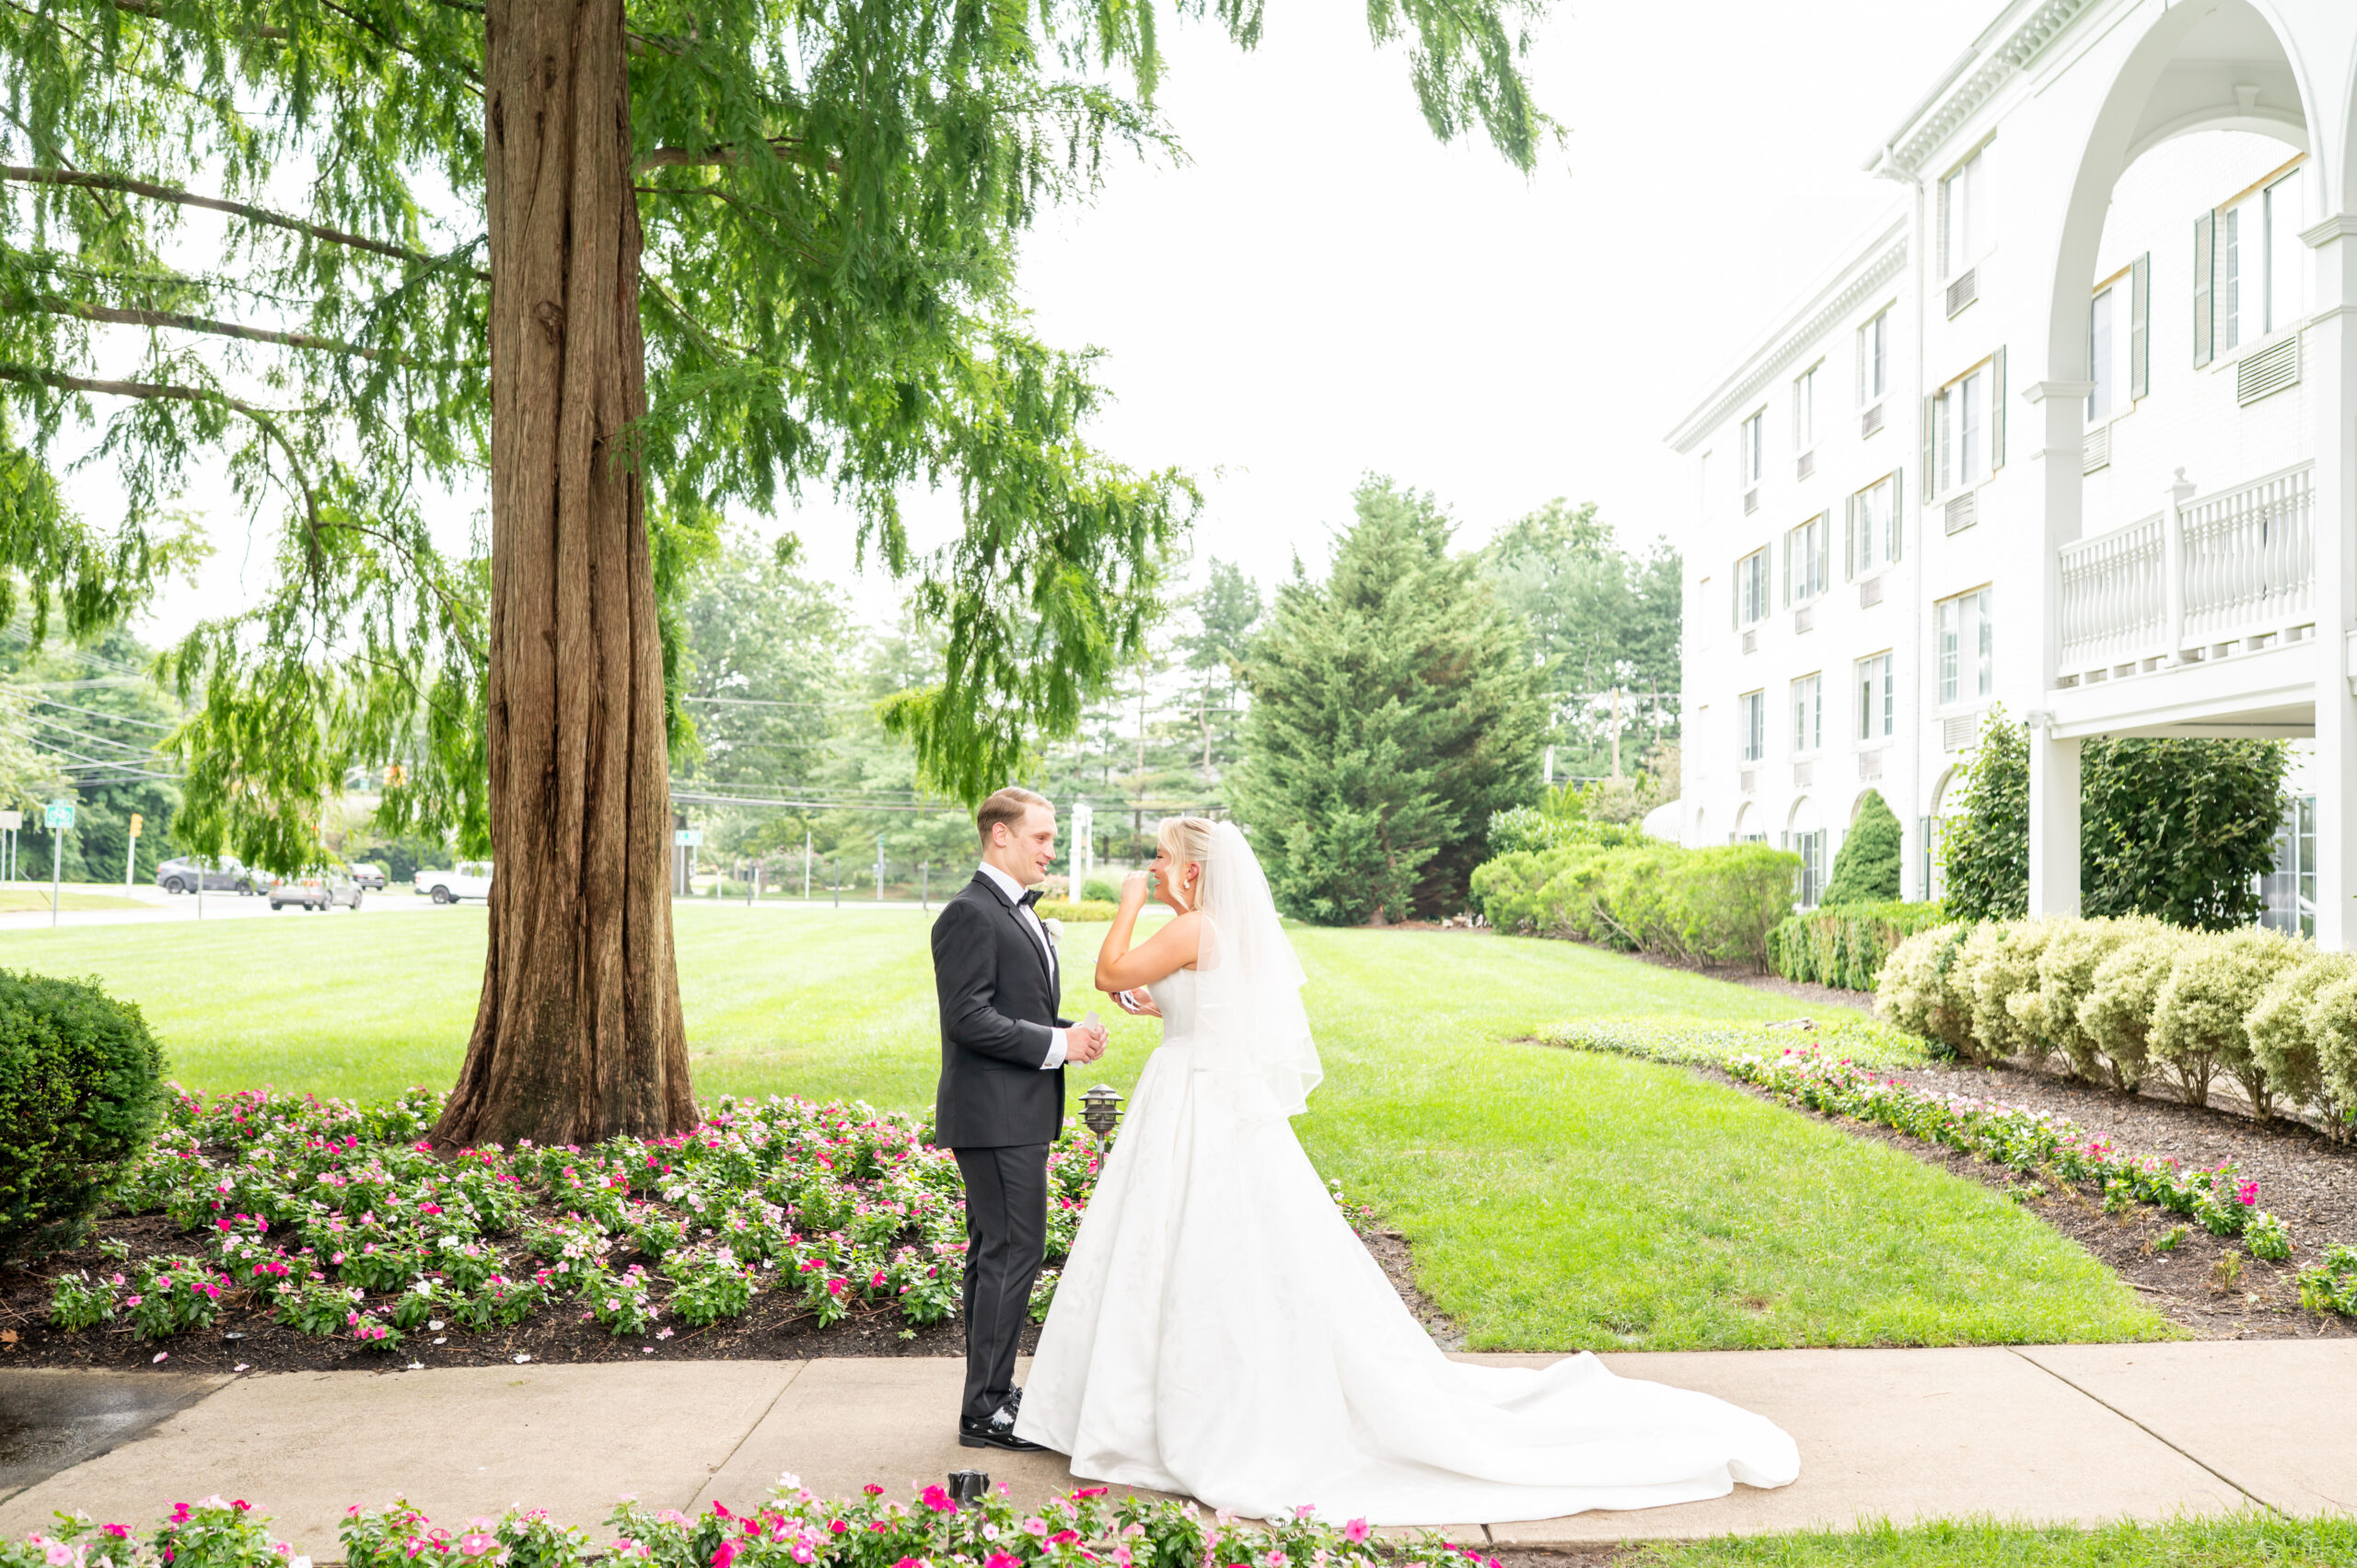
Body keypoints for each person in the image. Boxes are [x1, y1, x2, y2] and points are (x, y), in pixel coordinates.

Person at [1013, 815, 1801, 1523]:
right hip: (1203, 1099)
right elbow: (1215, 1007)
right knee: (1204, 1250)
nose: (1151, 869)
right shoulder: (1212, 933)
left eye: (1159, 860)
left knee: (1194, 1250)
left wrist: (1123, 903)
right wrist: (1168, 1006)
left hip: (1197, 1105)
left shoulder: (1191, 927)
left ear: (1190, 871)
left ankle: (1186, 1410)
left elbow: (1111, 971)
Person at [930, 786, 1109, 1452]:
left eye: (1052, 837)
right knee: (1014, 1251)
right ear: (999, 836)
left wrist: (1067, 1034)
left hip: (1012, 1112)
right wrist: (1057, 1046)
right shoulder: (969, 913)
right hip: (994, 1117)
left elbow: (1009, 1008)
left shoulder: (1012, 911)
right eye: (1040, 836)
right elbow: (968, 1018)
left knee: (996, 1253)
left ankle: (993, 1391)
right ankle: (983, 1409)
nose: (1050, 849)